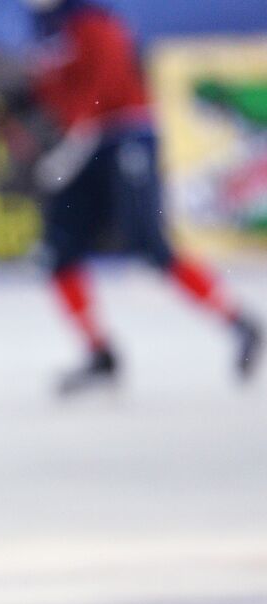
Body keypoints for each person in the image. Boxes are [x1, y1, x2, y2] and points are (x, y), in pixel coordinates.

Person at [22, 0, 260, 393]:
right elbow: (54, 89)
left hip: (124, 135)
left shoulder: (93, 22)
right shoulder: (45, 29)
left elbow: (105, 85)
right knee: (59, 248)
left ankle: (238, 322)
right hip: (86, 143)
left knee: (150, 243)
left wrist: (71, 139)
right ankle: (99, 352)